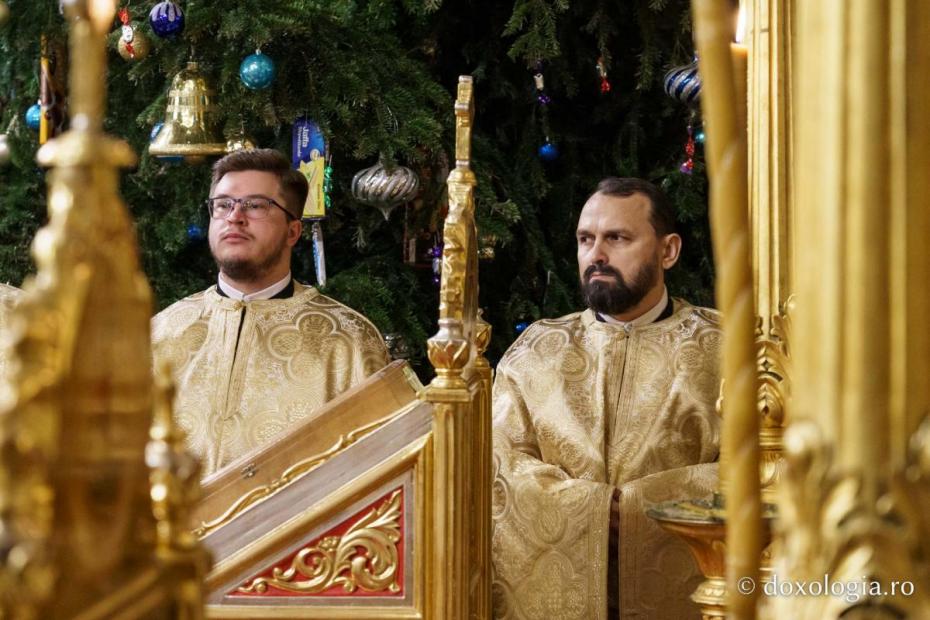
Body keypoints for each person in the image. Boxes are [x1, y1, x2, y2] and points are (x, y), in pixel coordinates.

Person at [491, 177, 721, 619]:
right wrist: (593, 509)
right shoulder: (536, 351)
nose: (596, 254)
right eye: (585, 239)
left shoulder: (727, 349)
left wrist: (636, 507)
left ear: (668, 251)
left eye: (617, 238)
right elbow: (497, 463)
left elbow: (764, 467)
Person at [152, 149, 389, 476]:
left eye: (256, 205)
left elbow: (377, 471)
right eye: (223, 205)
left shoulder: (347, 342)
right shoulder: (160, 333)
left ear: (293, 232)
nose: (235, 217)